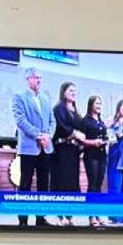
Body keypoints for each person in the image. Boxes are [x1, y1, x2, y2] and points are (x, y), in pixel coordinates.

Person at [10, 65, 53, 227]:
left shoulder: (46, 99)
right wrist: (39, 135)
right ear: (28, 80)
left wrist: (48, 135)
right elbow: (20, 120)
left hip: (45, 148)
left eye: (40, 77)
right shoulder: (19, 97)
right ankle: (23, 220)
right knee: (25, 184)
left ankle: (40, 218)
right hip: (29, 148)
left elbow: (52, 121)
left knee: (43, 184)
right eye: (36, 77)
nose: (39, 80)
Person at [50, 80, 84, 221]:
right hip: (61, 150)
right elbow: (61, 127)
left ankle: (69, 216)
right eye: (71, 91)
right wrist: (75, 134)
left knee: (72, 183)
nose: (73, 93)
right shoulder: (58, 109)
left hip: (73, 152)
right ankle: (60, 216)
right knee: (61, 183)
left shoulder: (76, 111)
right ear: (63, 92)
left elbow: (82, 127)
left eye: (75, 91)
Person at [81, 94, 109, 223]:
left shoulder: (101, 121)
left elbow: (105, 137)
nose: (98, 106)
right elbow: (81, 140)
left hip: (102, 155)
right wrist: (93, 142)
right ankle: (91, 215)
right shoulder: (85, 121)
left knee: (99, 185)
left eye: (100, 104)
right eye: (96, 103)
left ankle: (98, 213)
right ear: (91, 105)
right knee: (92, 184)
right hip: (91, 155)